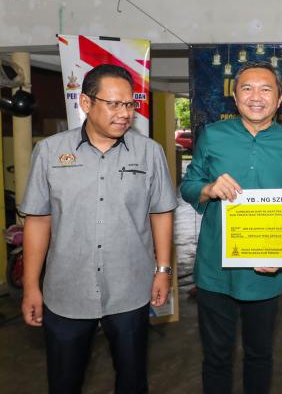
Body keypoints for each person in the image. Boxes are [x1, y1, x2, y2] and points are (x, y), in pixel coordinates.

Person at [20, 64, 177, 394]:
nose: (125, 113)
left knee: (132, 381)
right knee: (64, 383)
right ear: (86, 103)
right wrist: (31, 286)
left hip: (129, 290)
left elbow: (161, 212)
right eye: (114, 104)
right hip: (67, 292)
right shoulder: (49, 152)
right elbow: (38, 220)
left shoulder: (150, 153)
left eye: (130, 104)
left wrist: (163, 270)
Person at [180, 61, 282, 394]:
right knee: (216, 357)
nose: (256, 96)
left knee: (259, 355)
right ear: (235, 97)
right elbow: (189, 185)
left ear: (280, 99)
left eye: (266, 89)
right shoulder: (213, 136)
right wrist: (209, 188)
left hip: (265, 272)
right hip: (215, 268)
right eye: (247, 88)